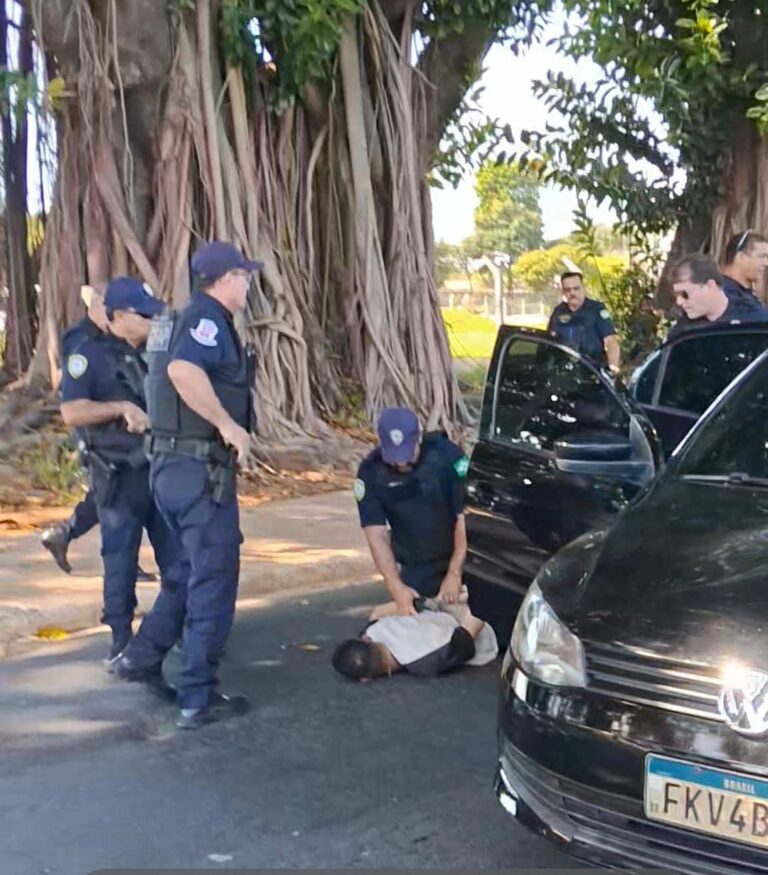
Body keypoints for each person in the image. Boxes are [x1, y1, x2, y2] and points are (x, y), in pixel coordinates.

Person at [112, 241, 260, 730]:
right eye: (244, 276)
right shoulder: (204, 321)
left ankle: (142, 657)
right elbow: (181, 371)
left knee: (184, 569)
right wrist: (227, 425)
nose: (248, 285)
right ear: (225, 279)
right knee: (214, 575)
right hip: (198, 473)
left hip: (172, 469)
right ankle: (197, 695)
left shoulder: (178, 321)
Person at [59, 277, 184, 665]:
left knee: (177, 556)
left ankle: (177, 630)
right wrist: (120, 408)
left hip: (159, 469)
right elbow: (71, 412)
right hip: (117, 473)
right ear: (118, 316)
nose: (150, 320)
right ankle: (120, 639)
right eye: (142, 315)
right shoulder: (87, 354)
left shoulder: (155, 353)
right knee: (120, 558)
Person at [41, 286, 155, 582]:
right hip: (94, 429)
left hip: (125, 431)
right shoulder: (81, 339)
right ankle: (118, 562)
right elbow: (78, 391)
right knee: (110, 489)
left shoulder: (120, 343)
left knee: (113, 491)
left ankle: (67, 533)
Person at [354, 407, 469, 617]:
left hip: (460, 554)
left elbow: (465, 517)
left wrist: (454, 573)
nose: (400, 462)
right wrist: (396, 587)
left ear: (418, 439)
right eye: (393, 455)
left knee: (471, 612)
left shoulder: (449, 456)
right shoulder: (370, 472)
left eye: (406, 453)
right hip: (417, 563)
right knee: (411, 613)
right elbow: (376, 535)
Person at [332, 596, 498, 682]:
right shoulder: (373, 629)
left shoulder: (426, 662)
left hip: (469, 620)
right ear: (366, 640)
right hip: (457, 614)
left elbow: (473, 623)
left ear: (365, 679)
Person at [668, 252, 768, 339]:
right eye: (676, 295)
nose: (679, 302)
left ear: (710, 285)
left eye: (685, 294)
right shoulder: (682, 333)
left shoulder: (754, 320)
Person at [548, 271, 621, 374]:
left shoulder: (596, 310)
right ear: (563, 292)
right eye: (568, 290)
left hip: (592, 370)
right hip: (564, 372)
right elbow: (549, 341)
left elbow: (611, 342)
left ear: (583, 288)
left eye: (576, 288)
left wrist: (613, 369)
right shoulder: (558, 311)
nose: (572, 293)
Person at [720, 230, 768, 305]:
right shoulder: (723, 296)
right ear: (740, 257)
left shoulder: (745, 295)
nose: (766, 263)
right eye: (761, 257)